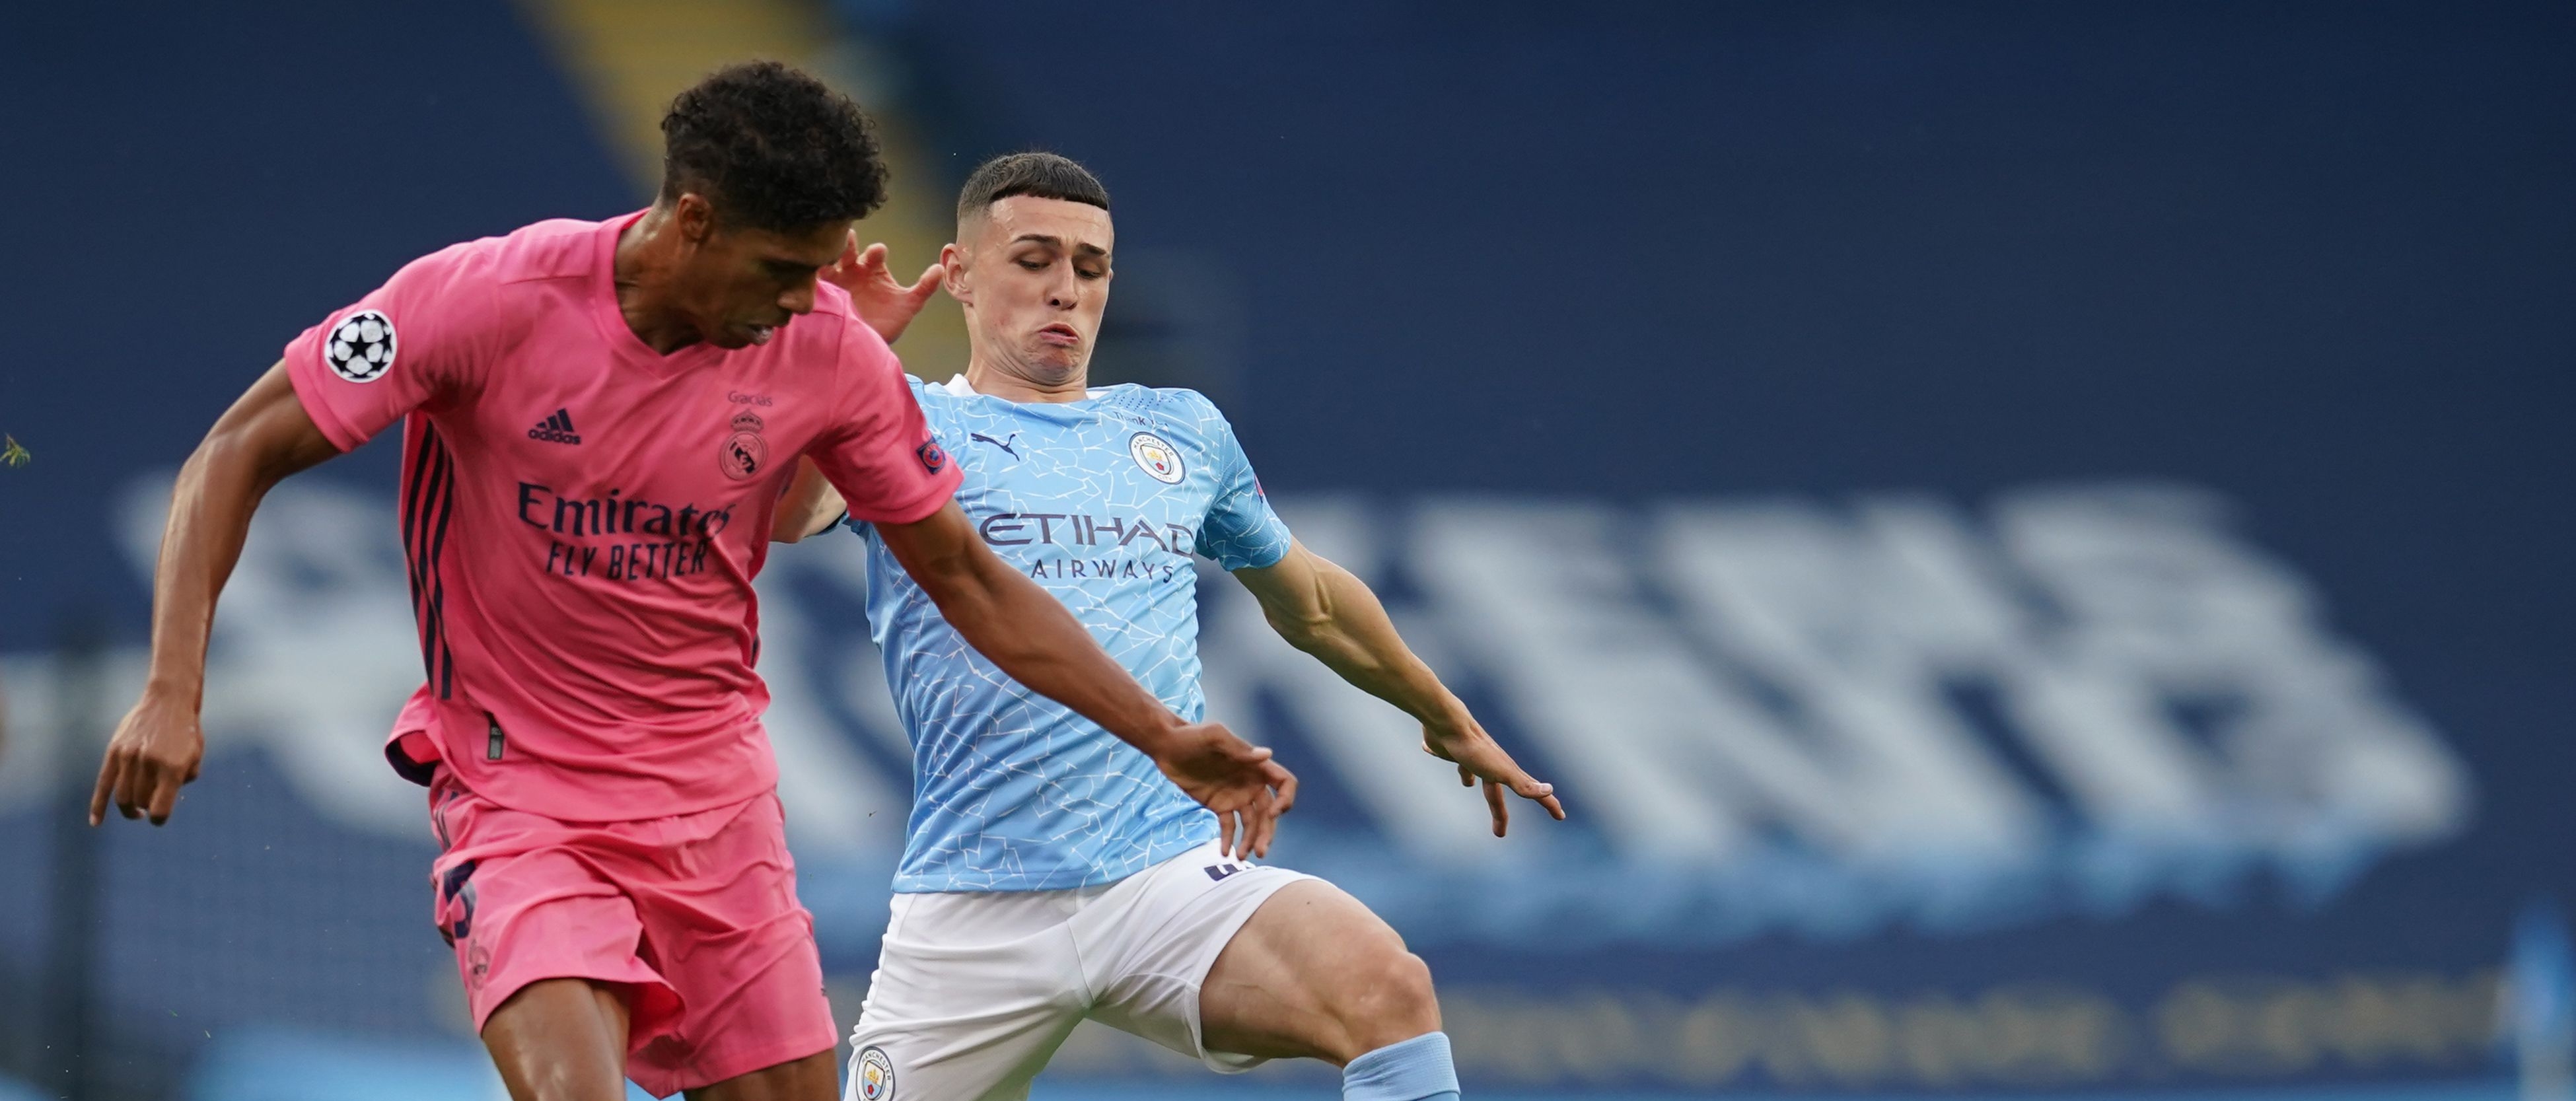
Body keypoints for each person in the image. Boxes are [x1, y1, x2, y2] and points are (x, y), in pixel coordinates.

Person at [88, 67, 1291, 1101]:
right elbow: (236, 450)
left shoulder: (828, 351)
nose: (803, 300)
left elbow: (969, 580)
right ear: (695, 221)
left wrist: (1162, 735)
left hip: (718, 809)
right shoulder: (486, 301)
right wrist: (171, 687)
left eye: (817, 272)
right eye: (782, 268)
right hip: (522, 797)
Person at [774, 152, 1565, 1101]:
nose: (1066, 290)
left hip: (1165, 875)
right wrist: (841, 367)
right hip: (974, 902)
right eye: (1033, 259)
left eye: (1091, 267)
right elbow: (787, 513)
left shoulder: (1180, 429)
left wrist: (1444, 714)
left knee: (1384, 988)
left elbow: (1312, 600)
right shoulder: (905, 416)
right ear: (960, 274)